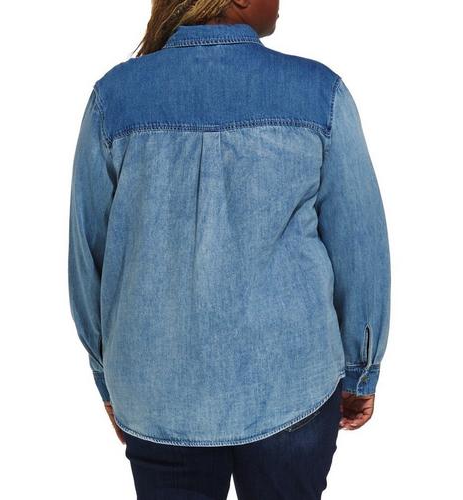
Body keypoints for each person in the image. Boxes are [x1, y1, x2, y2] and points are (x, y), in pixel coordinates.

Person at [67, 0, 391, 498]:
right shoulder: (318, 93)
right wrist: (360, 371)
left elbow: (88, 257)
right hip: (292, 389)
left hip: (157, 397)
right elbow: (359, 248)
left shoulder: (114, 99)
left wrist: (108, 377)